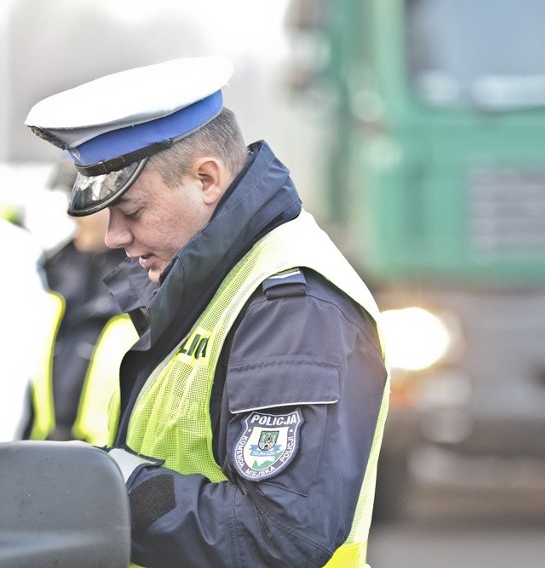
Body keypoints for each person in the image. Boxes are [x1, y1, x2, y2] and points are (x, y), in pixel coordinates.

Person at [25, 56, 390, 567]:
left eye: (131, 211)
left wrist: (112, 487)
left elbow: (282, 536)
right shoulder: (206, 285)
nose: (114, 237)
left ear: (207, 178)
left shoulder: (291, 307)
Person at [25, 158, 129, 441]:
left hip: (111, 471)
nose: (71, 215)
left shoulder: (147, 284)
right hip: (47, 460)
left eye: (82, 202)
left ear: (116, 203)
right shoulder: (52, 272)